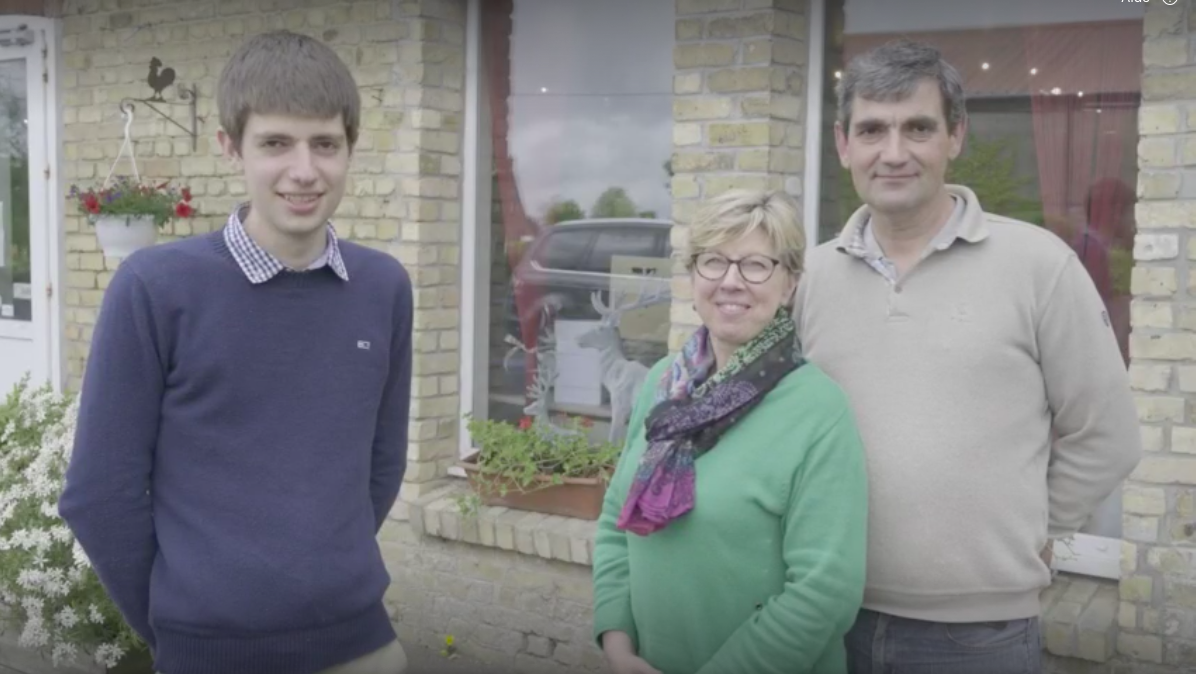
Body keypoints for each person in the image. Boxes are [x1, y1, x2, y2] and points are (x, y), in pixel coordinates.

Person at [58, 30, 413, 674]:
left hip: (364, 647)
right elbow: (98, 493)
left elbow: (381, 464)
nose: (304, 170)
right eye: (276, 143)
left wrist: (327, 572)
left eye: (325, 144)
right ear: (230, 148)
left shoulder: (383, 286)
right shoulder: (154, 288)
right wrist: (183, 624)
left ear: (349, 148)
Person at [793, 39, 1142, 674]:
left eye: (917, 128)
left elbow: (1108, 434)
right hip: (822, 614)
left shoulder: (1038, 266)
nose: (893, 152)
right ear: (843, 144)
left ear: (955, 136)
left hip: (978, 636)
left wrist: (1035, 525)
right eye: (872, 130)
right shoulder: (810, 276)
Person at [591, 189, 869, 674]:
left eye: (757, 265)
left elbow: (825, 591)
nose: (731, 282)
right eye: (713, 261)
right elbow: (617, 520)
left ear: (789, 284)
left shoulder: (819, 410)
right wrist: (618, 648)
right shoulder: (664, 383)